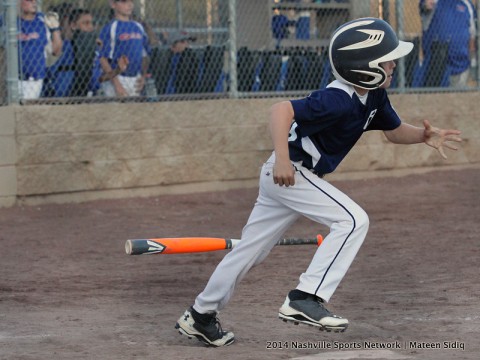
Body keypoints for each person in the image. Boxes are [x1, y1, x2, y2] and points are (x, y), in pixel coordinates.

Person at [174, 17, 463, 347]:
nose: (393, 64)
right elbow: (281, 111)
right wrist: (283, 159)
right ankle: (305, 297)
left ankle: (200, 315)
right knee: (352, 220)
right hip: (291, 172)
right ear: (362, 65)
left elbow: (393, 131)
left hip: (289, 176)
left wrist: (423, 136)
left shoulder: (374, 96)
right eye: (386, 59)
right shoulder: (337, 98)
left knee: (250, 251)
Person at [98, 0, 151, 97]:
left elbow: (145, 55)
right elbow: (103, 58)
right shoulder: (111, 28)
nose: (129, 4)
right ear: (113, 4)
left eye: (131, 1)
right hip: (117, 77)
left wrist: (143, 76)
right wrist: (117, 84)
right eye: (124, 1)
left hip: (136, 77)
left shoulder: (138, 27)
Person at [420, 0, 476, 87]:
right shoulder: (435, 1)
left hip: (461, 64)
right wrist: (426, 6)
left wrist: (472, 58)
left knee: (458, 97)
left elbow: (472, 34)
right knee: (433, 96)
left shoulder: (466, 4)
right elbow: (425, 7)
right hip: (435, 65)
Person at [16, 0, 63, 99]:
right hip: (12, 77)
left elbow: (56, 51)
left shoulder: (42, 21)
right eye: (29, 0)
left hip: (34, 79)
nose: (34, 2)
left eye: (35, 0)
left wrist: (55, 29)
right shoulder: (10, 21)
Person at [151, 30, 198, 94]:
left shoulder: (191, 58)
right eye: (183, 41)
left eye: (188, 42)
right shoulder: (165, 58)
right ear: (173, 44)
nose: (187, 44)